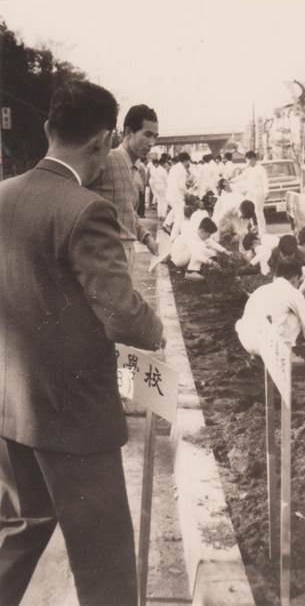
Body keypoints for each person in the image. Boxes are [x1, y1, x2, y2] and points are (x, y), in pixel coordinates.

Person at [0, 81, 164, 606]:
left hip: (10, 406)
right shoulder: (86, 210)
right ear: (103, 141)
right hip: (73, 415)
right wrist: (155, 330)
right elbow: (122, 315)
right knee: (105, 561)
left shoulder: (2, 195)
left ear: (48, 129)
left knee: (23, 528)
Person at [89, 104, 159, 273]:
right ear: (128, 132)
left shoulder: (137, 169)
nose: (152, 143)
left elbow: (127, 212)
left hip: (126, 253)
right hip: (104, 254)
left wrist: (147, 237)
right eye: (147, 135)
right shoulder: (106, 159)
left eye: (155, 137)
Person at [235, 259, 305, 363]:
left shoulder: (260, 290)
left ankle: (258, 356)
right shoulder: (294, 294)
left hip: (247, 342)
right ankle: (286, 356)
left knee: (273, 315)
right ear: (295, 278)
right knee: (294, 317)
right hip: (272, 346)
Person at [234, 150, 269, 234]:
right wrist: (231, 181)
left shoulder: (260, 168)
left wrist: (266, 192)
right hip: (250, 193)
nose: (247, 162)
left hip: (258, 193)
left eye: (248, 159)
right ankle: (254, 228)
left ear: (253, 159)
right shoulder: (248, 169)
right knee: (250, 211)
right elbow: (241, 177)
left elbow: (265, 180)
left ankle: (262, 231)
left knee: (258, 212)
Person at [163, 151, 191, 241]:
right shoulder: (182, 170)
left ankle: (166, 224)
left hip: (169, 194)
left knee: (175, 210)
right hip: (177, 196)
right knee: (180, 217)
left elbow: (170, 180)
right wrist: (187, 192)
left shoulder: (173, 167)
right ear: (186, 160)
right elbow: (181, 185)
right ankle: (173, 238)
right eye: (188, 161)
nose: (188, 163)